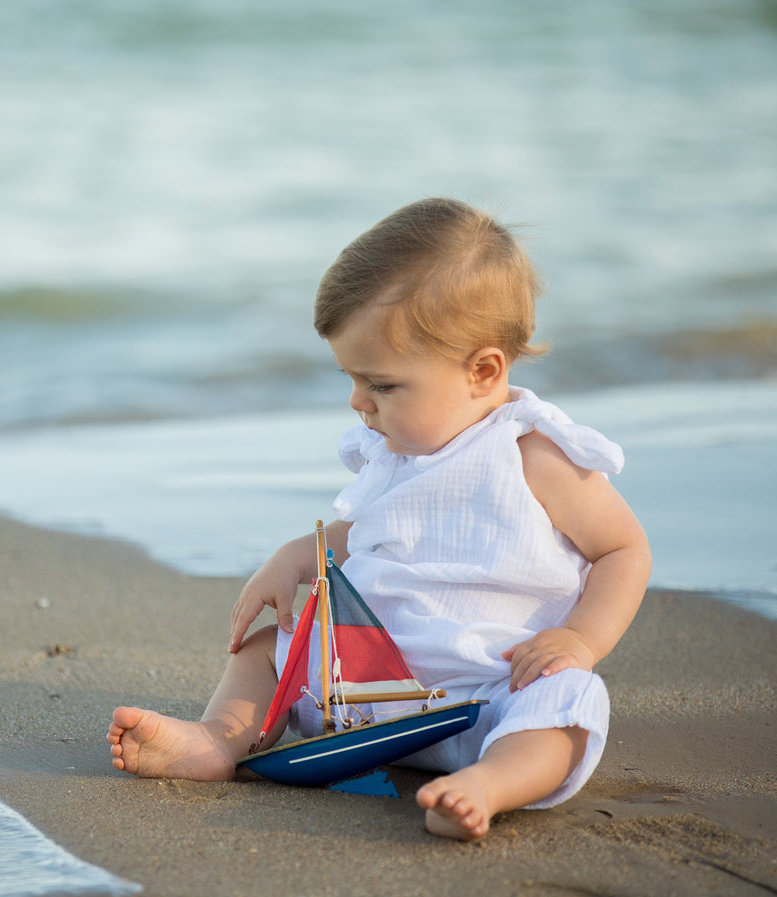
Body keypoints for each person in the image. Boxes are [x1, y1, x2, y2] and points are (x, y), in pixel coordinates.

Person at [107, 198, 651, 840]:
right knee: (270, 649)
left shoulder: (531, 454)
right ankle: (218, 741)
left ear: (482, 371)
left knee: (570, 700)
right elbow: (372, 530)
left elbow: (624, 551)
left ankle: (487, 785)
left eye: (384, 386)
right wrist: (296, 555)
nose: (358, 402)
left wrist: (582, 640)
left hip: (492, 692)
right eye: (352, 378)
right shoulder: (395, 452)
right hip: (367, 694)